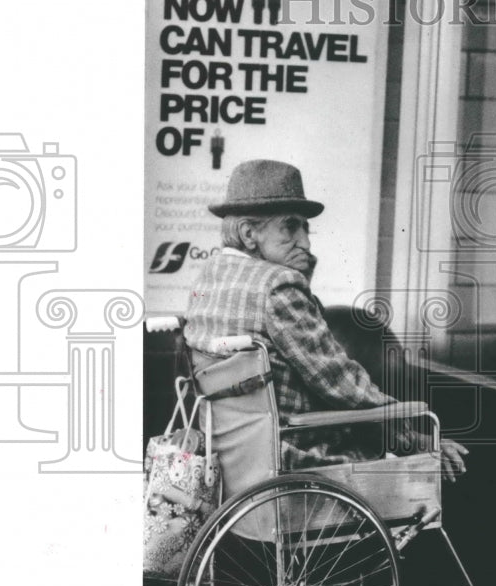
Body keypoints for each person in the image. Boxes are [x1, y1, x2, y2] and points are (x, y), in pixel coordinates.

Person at [184, 159, 468, 481]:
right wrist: (411, 437)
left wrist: (298, 273)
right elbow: (338, 381)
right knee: (413, 468)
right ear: (250, 234)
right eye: (290, 227)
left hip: (230, 462)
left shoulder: (208, 279)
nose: (305, 242)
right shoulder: (278, 287)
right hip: (298, 459)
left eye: (306, 228)